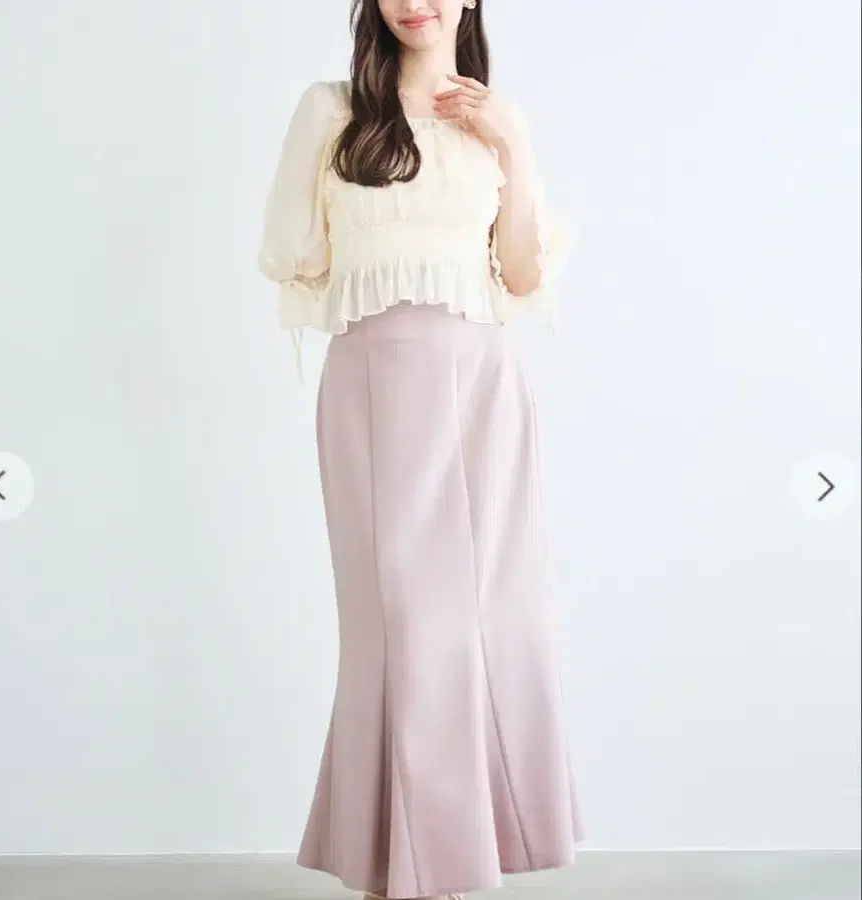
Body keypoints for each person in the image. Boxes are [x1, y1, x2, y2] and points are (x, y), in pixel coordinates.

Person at [258, 2, 585, 898]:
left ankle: (442, 864)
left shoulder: (500, 120)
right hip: (373, 380)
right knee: (396, 624)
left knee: (487, 615)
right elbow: (291, 252)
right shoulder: (331, 110)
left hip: (483, 381)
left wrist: (512, 145)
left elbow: (523, 273)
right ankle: (396, 867)